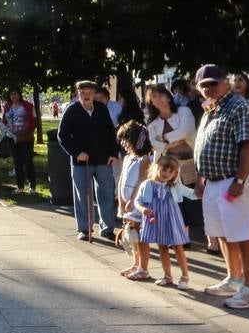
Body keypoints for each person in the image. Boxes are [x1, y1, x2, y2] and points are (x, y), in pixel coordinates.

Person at [192, 64, 249, 310]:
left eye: (214, 83)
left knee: (243, 234)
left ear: (226, 82)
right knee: (222, 232)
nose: (209, 88)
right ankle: (234, 278)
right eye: (204, 85)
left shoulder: (240, 107)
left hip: (233, 179)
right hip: (214, 180)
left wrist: (240, 180)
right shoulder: (211, 109)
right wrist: (202, 178)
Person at [57, 80, 119, 242]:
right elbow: (62, 136)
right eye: (83, 93)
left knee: (106, 193)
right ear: (78, 94)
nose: (86, 96)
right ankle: (84, 229)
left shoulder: (101, 109)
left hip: (103, 158)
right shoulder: (72, 111)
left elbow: (110, 132)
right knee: (83, 195)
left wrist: (113, 152)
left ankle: (107, 228)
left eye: (90, 93)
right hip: (81, 161)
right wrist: (76, 153)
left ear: (94, 94)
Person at [132, 154, 192, 289]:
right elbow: (138, 200)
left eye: (171, 171)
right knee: (162, 247)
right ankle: (168, 276)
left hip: (172, 219)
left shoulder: (174, 186)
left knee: (178, 246)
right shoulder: (147, 184)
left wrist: (202, 192)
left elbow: (190, 193)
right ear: (157, 168)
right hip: (157, 219)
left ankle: (184, 276)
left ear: (175, 174)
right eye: (164, 169)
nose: (167, 173)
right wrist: (142, 209)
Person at [115, 120, 152, 279]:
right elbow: (121, 179)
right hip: (127, 201)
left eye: (125, 139)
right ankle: (136, 264)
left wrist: (132, 200)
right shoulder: (127, 158)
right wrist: (121, 201)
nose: (122, 143)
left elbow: (142, 180)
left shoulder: (144, 159)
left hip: (137, 202)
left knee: (140, 236)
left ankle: (144, 267)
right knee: (133, 237)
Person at [3, 89, 37, 193]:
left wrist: (26, 132)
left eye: (16, 93)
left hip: (25, 138)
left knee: (28, 161)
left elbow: (34, 121)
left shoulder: (27, 106)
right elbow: (4, 121)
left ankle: (32, 186)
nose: (14, 96)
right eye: (12, 94)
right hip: (11, 138)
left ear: (20, 95)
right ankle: (20, 187)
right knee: (17, 162)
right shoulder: (7, 106)